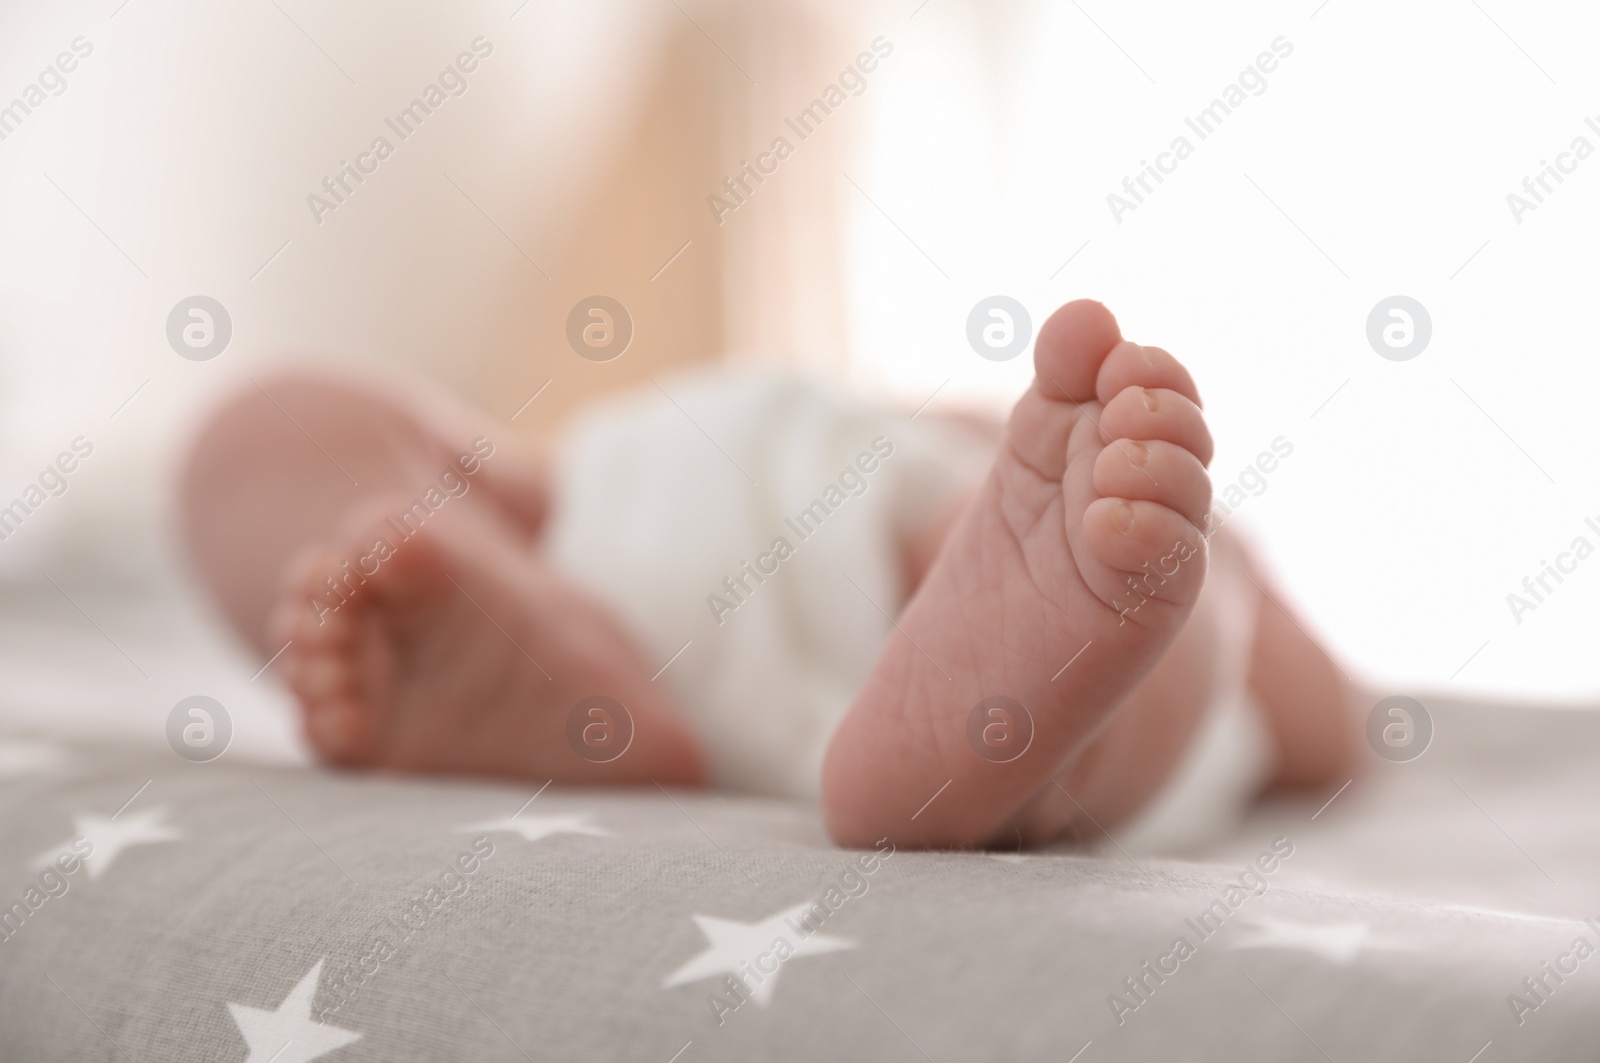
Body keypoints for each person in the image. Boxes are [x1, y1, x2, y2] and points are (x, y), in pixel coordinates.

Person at [179, 300, 1359, 849]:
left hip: (654, 517)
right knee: (1167, 598)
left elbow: (1319, 724)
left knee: (263, 437)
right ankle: (519, 620)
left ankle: (984, 720)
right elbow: (1328, 727)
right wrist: (1236, 589)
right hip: (620, 558)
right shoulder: (1071, 494)